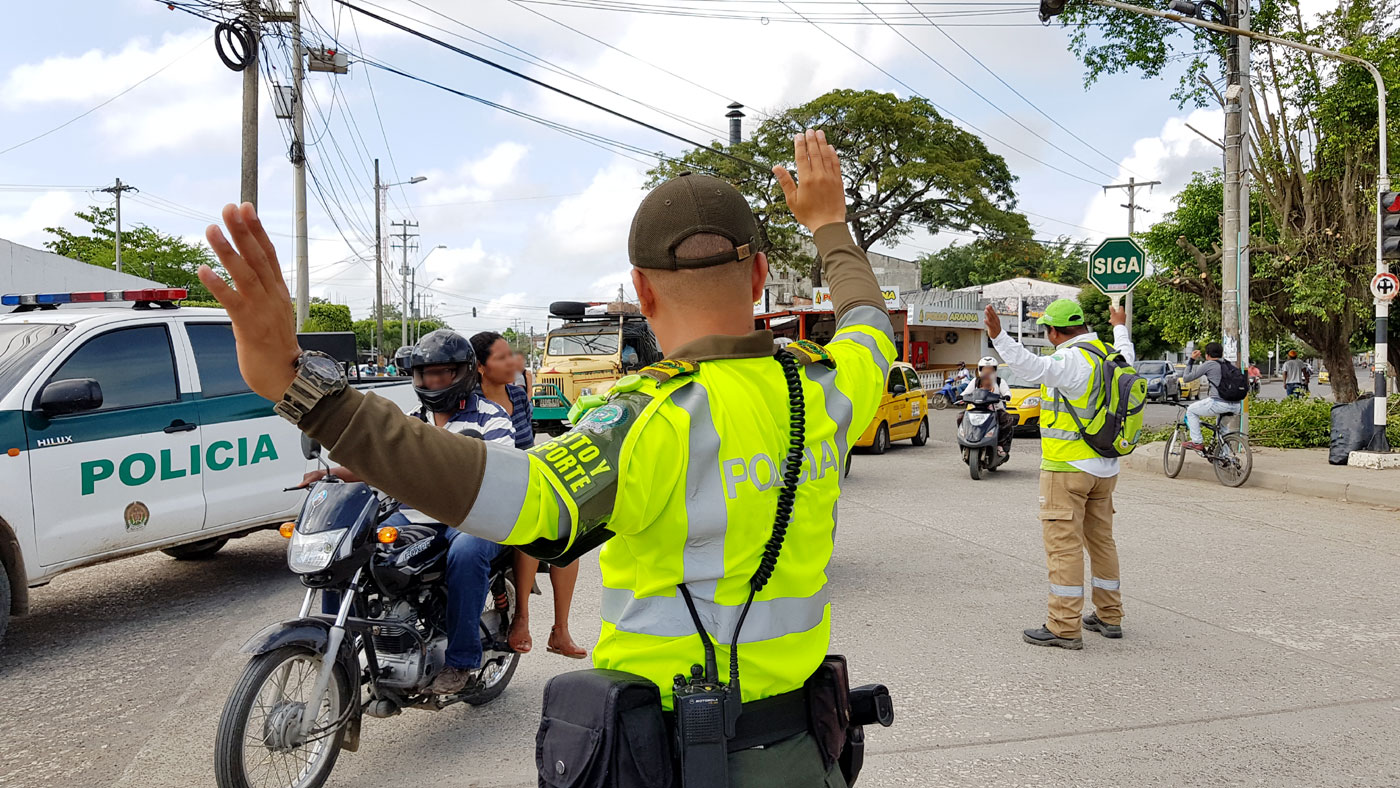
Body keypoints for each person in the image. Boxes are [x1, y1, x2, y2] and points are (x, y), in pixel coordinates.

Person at [199, 130, 892, 784]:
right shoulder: (828, 388)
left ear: (642, 291)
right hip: (807, 752)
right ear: (760, 275)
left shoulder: (646, 421)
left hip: (672, 757)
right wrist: (829, 223)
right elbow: (868, 323)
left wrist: (299, 390)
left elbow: (497, 492)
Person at [301, 330, 517, 695]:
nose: (431, 381)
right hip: (414, 514)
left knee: (465, 553)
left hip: (471, 516)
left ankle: (462, 661)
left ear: (462, 373)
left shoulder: (491, 418)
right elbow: (377, 460)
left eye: (441, 373)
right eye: (425, 374)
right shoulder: (411, 418)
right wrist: (331, 473)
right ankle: (339, 652)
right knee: (350, 550)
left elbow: (501, 469)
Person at [982, 298, 1134, 650]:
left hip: (1067, 468)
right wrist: (1119, 324)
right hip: (1106, 466)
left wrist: (999, 336)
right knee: (1101, 542)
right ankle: (1110, 615)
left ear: (1053, 331)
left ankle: (1064, 625)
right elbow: (1127, 347)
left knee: (1063, 547)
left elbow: (1033, 368)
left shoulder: (1070, 359)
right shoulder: (1110, 353)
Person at [472, 330, 588, 660]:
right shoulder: (469, 402)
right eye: (502, 357)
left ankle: (560, 631)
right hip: (484, 492)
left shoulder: (519, 395)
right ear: (481, 367)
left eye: (512, 355)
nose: (514, 362)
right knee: (531, 528)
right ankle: (521, 618)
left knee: (570, 535)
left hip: (522, 481)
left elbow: (527, 450)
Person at [1179, 342, 1242, 451]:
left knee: (1191, 411)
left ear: (1207, 355)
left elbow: (1186, 378)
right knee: (1223, 430)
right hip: (1236, 406)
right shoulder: (1229, 364)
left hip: (1218, 403)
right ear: (1221, 354)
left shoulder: (1209, 364)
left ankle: (1197, 441)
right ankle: (1225, 458)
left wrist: (1191, 360)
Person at [958, 356, 1016, 458]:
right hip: (976, 410)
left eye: (990, 369)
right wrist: (960, 397)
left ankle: (1000, 444)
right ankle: (965, 440)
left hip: (996, 410)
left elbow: (1006, 391)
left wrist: (1006, 396)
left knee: (1008, 419)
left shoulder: (999, 381)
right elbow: (966, 392)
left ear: (995, 370)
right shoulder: (976, 381)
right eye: (985, 369)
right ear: (980, 369)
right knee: (960, 417)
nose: (987, 372)